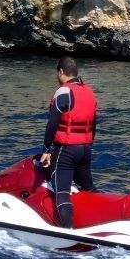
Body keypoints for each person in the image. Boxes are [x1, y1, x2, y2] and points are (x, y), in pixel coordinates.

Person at [39, 56, 98, 228]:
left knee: (62, 193)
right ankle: (102, 220)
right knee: (89, 188)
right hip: (85, 149)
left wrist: (46, 150)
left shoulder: (63, 91)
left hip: (66, 150)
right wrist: (88, 145)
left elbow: (52, 123)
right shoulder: (89, 91)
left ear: (61, 72)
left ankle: (67, 233)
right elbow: (93, 123)